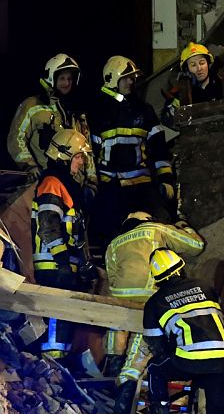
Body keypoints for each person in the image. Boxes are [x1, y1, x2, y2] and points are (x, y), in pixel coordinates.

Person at [103, 211, 205, 414]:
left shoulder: (113, 244)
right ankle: (128, 380)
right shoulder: (156, 230)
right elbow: (196, 246)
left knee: (118, 323)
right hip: (150, 294)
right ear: (147, 220)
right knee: (142, 336)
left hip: (121, 296)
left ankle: (113, 363)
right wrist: (185, 227)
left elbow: (111, 277)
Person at [143, 248, 224, 414]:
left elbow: (155, 344)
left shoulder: (155, 302)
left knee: (155, 368)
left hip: (189, 360)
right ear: (181, 268)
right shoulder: (205, 286)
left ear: (157, 278)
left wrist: (170, 350)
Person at [89, 56, 174, 244]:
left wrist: (166, 180)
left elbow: (159, 149)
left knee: (160, 223)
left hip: (141, 186)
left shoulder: (144, 111)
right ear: (112, 79)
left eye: (132, 77)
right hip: (110, 188)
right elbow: (90, 155)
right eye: (126, 77)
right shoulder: (96, 113)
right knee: (112, 236)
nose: (131, 81)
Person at [31, 129, 96, 358]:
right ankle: (51, 367)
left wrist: (83, 264)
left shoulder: (68, 186)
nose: (81, 162)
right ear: (63, 155)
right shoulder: (51, 183)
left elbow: (76, 231)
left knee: (64, 321)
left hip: (65, 264)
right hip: (53, 264)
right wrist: (62, 261)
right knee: (57, 322)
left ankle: (59, 368)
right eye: (78, 157)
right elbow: (48, 225)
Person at [7, 53, 97, 194]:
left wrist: (91, 181)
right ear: (51, 78)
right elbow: (16, 138)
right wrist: (30, 166)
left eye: (69, 79)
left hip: (75, 185)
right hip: (45, 183)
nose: (66, 83)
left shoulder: (77, 111)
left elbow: (87, 148)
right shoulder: (33, 106)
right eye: (62, 78)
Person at [162, 42, 224, 126]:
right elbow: (170, 121)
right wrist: (192, 90)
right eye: (193, 65)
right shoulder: (178, 93)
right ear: (187, 69)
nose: (199, 68)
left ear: (208, 64)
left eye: (202, 63)